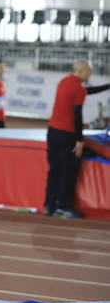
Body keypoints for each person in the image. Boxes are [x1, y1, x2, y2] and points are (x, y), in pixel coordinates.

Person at [44, 60, 110, 218]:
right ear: (81, 70)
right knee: (68, 171)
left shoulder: (65, 82)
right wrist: (79, 140)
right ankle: (64, 206)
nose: (91, 74)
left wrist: (108, 86)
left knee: (54, 170)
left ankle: (49, 205)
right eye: (89, 71)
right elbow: (77, 115)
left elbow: (87, 91)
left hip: (53, 132)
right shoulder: (79, 88)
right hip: (67, 135)